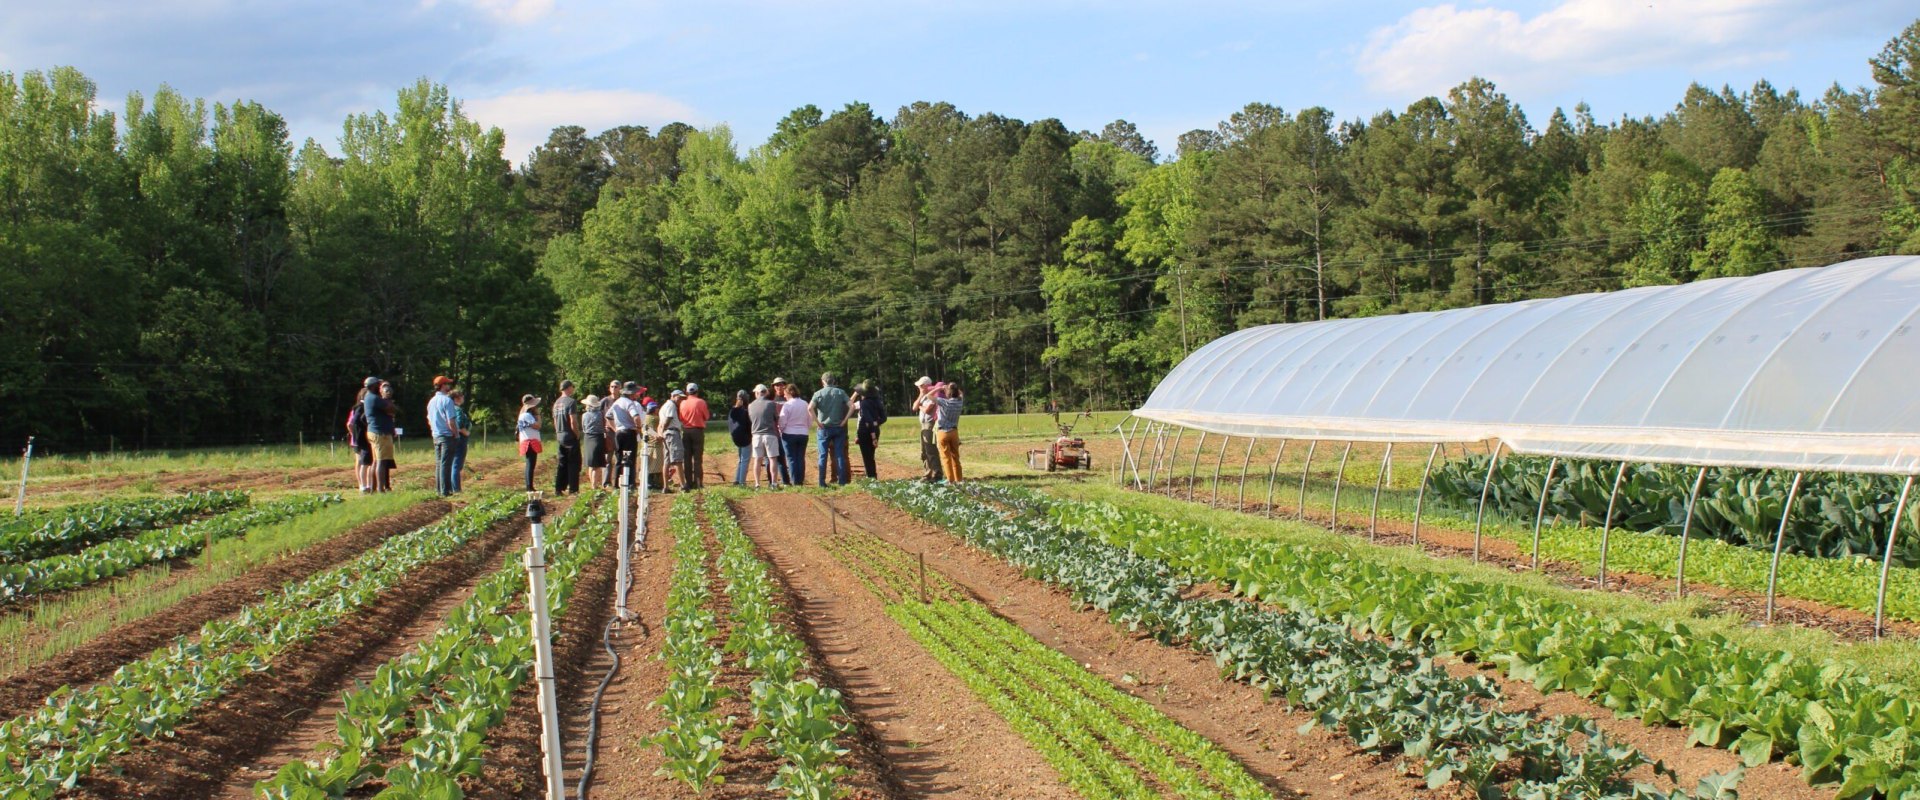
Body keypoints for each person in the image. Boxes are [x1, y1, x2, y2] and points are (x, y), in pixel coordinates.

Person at [810, 373, 852, 486]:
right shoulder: (840, 392)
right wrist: (844, 420)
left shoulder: (818, 394)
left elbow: (809, 408)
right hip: (838, 428)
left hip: (823, 428)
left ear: (823, 381)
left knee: (822, 455)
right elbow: (852, 406)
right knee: (839, 455)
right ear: (833, 381)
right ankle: (842, 481)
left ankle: (821, 482)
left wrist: (817, 422)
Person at [363, 378, 398, 493]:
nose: (380, 387)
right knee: (381, 462)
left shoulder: (368, 397)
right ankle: (380, 489)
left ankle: (373, 488)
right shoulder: (375, 398)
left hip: (373, 431)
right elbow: (393, 409)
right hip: (380, 433)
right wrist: (387, 398)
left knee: (375, 461)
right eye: (378, 385)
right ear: (374, 386)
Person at [427, 375, 458, 497]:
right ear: (443, 386)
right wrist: (455, 434)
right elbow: (451, 421)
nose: (449, 386)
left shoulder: (431, 401)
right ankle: (446, 491)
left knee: (439, 463)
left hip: (436, 435)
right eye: (447, 384)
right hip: (447, 436)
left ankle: (439, 490)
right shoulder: (447, 401)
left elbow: (429, 420)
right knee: (446, 464)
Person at [747, 384, 783, 488]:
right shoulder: (771, 404)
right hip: (770, 434)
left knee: (757, 460)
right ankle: (774, 483)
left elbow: (751, 419)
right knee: (772, 459)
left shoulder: (750, 405)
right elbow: (776, 417)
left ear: (757, 393)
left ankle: (757, 484)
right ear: (765, 392)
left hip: (756, 435)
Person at [678, 383, 711, 490]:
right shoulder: (701, 402)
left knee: (687, 458)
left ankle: (688, 483)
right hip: (697, 431)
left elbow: (681, 418)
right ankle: (698, 482)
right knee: (697, 458)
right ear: (697, 391)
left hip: (686, 431)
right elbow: (706, 416)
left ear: (687, 392)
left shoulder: (682, 403)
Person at [853, 380, 888, 480]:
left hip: (865, 432)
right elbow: (884, 418)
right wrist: (876, 423)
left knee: (866, 456)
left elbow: (868, 421)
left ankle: (870, 477)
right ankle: (873, 476)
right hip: (875, 430)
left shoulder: (864, 403)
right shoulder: (878, 402)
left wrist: (873, 437)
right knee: (871, 455)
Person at [777, 380, 810, 486]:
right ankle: (800, 480)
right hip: (803, 434)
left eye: (785, 394)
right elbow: (809, 419)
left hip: (789, 433)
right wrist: (805, 428)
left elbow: (782, 420)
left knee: (791, 458)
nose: (784, 396)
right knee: (800, 457)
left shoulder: (787, 405)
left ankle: (795, 480)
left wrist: (781, 430)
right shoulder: (805, 403)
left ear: (790, 393)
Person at [610, 381, 642, 488]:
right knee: (629, 458)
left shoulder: (617, 402)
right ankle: (630, 483)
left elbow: (608, 416)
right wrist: (638, 429)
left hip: (619, 432)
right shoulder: (629, 403)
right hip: (629, 433)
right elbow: (636, 417)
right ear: (631, 393)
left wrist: (615, 428)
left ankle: (616, 485)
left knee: (619, 459)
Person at [553, 380, 581, 495]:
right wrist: (577, 434)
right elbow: (573, 420)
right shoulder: (571, 402)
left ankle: (558, 489)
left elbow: (555, 421)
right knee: (574, 463)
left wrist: (558, 433)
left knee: (562, 463)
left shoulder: (556, 403)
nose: (573, 389)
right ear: (568, 388)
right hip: (570, 436)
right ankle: (573, 489)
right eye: (572, 387)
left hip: (560, 436)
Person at [932, 382, 965, 482]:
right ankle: (959, 480)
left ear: (948, 393)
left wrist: (939, 389)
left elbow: (928, 396)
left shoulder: (943, 402)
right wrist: (953, 388)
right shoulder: (959, 402)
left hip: (942, 432)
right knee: (956, 457)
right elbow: (961, 394)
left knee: (946, 458)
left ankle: (950, 480)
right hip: (954, 432)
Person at [913, 377, 944, 482]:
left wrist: (920, 406)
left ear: (927, 385)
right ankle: (928, 473)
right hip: (923, 425)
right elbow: (914, 407)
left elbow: (927, 410)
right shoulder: (923, 396)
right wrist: (920, 396)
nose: (919, 387)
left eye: (921, 386)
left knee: (931, 450)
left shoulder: (934, 395)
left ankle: (937, 474)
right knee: (924, 451)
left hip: (930, 425)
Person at [657, 389, 686, 492]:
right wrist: (663, 430)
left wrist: (661, 432)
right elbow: (668, 419)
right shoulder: (671, 405)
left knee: (667, 461)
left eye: (682, 398)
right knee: (678, 459)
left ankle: (666, 487)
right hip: (672, 433)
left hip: (667, 434)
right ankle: (683, 485)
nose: (680, 400)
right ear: (673, 396)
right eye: (679, 397)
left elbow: (661, 423)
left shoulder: (664, 406)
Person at [346, 386, 372, 493]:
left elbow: (350, 424)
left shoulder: (356, 408)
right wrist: (354, 434)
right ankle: (362, 484)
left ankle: (363, 484)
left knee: (362, 461)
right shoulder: (358, 408)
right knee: (361, 462)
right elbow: (350, 424)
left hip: (358, 439)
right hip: (359, 439)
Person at [517, 394, 543, 491]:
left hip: (527, 441)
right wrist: (538, 415)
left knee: (530, 464)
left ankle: (530, 486)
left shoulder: (523, 415)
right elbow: (538, 425)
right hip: (530, 442)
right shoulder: (527, 415)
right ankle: (529, 487)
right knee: (530, 464)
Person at [582, 394, 607, 490]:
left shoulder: (584, 415)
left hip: (588, 438)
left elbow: (584, 428)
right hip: (598, 437)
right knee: (597, 465)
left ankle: (592, 484)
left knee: (591, 464)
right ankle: (594, 486)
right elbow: (604, 426)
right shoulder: (600, 414)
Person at [728, 389, 752, 486]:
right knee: (745, 460)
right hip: (745, 438)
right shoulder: (745, 411)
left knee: (741, 459)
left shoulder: (732, 410)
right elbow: (748, 425)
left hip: (736, 438)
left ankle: (737, 479)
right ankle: (742, 482)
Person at [450, 389, 472, 493]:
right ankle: (456, 489)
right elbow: (458, 424)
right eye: (461, 396)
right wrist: (465, 432)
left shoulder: (450, 409)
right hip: (460, 438)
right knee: (457, 464)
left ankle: (453, 487)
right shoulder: (457, 409)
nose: (463, 398)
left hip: (453, 438)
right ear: (456, 398)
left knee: (454, 463)